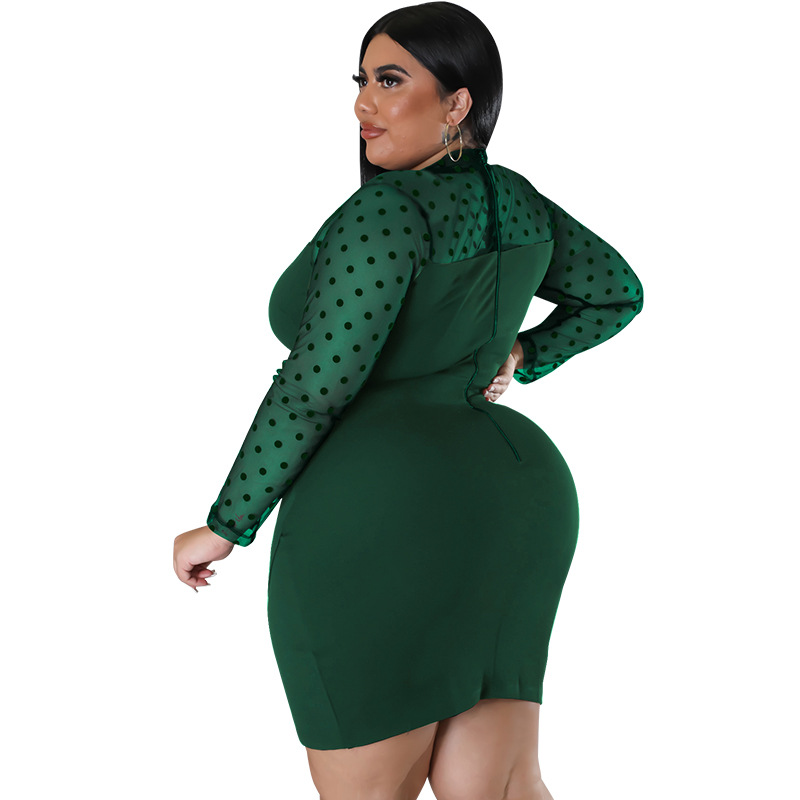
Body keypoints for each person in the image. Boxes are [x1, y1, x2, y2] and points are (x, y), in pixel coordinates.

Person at [173, 2, 643, 798]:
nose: (364, 103)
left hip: (383, 513)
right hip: (517, 498)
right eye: (360, 80)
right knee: (500, 789)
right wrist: (521, 352)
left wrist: (226, 526)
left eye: (390, 81)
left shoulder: (388, 211)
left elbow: (316, 386)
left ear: (458, 102)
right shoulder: (516, 200)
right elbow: (617, 293)